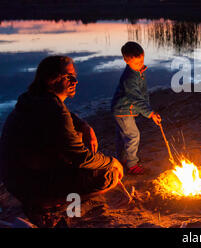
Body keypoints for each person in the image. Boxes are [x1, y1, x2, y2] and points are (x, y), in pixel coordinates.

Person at [0, 56, 123, 226]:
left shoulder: (34, 98)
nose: (76, 81)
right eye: (69, 77)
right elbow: (81, 158)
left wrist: (84, 125)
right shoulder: (54, 110)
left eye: (75, 76)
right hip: (28, 184)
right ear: (52, 79)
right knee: (109, 175)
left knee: (77, 136)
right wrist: (112, 162)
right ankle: (45, 204)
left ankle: (44, 197)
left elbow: (64, 116)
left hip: (14, 179)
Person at [111, 41, 161, 175]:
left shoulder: (138, 71)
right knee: (133, 135)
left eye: (141, 61)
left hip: (124, 110)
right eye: (137, 63)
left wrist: (148, 108)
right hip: (122, 111)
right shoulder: (129, 78)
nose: (140, 65)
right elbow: (136, 98)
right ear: (126, 61)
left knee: (123, 136)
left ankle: (122, 160)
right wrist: (150, 113)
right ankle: (132, 164)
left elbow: (142, 93)